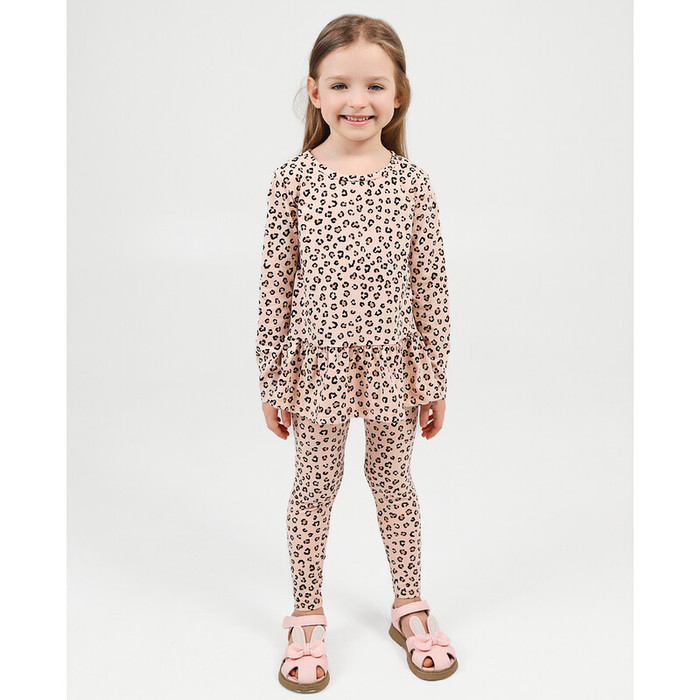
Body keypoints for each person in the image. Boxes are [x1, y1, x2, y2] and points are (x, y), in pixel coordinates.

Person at [255, 14, 458, 692]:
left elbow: (430, 287)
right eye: (340, 85)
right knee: (314, 487)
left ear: (398, 95)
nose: (357, 101)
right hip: (318, 367)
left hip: (394, 367)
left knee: (393, 481)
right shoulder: (292, 180)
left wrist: (433, 377)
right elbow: (276, 284)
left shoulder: (412, 183)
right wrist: (273, 379)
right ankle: (306, 614)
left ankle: (409, 603)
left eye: (374, 85)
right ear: (314, 92)